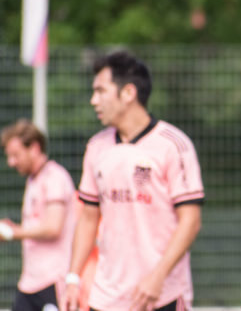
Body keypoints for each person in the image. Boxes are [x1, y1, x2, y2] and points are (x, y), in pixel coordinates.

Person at [64, 51, 204, 311]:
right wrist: (73, 278)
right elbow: (88, 218)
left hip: (160, 295)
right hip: (105, 296)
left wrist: (157, 277)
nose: (93, 100)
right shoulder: (96, 147)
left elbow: (190, 221)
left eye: (100, 91)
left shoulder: (173, 144)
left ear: (128, 93)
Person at [1, 119, 77, 311]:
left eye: (16, 155)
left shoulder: (54, 177)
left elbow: (53, 228)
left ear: (34, 148)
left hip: (52, 281)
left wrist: (13, 233)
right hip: (29, 282)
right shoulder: (34, 180)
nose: (11, 162)